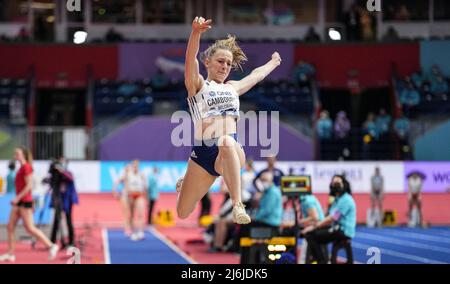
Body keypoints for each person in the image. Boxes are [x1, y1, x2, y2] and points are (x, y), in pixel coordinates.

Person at [176, 16, 282, 225]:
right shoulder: (197, 85)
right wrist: (196, 32)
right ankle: (186, 182)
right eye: (220, 61)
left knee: (225, 141)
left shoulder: (232, 88)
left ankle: (237, 204)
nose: (225, 66)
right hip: (203, 153)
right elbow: (191, 60)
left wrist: (273, 62)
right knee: (182, 212)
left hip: (231, 150)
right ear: (208, 62)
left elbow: (256, 75)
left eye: (228, 63)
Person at [0, 147, 59, 262]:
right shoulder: (21, 167)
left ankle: (52, 246)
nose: (15, 154)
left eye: (17, 152)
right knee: (10, 227)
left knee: (30, 228)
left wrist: (18, 198)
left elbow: (29, 186)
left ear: (23, 154)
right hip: (19, 202)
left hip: (24, 201)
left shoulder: (27, 167)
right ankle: (11, 253)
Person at [302, 175, 356, 264]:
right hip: (336, 227)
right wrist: (315, 225)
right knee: (311, 234)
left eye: (338, 183)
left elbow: (332, 218)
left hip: (343, 231)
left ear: (344, 185)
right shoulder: (336, 199)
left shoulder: (346, 200)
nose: (336, 185)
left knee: (312, 235)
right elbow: (329, 216)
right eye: (334, 183)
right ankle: (322, 259)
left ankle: (321, 261)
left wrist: (314, 226)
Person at [47, 157, 79, 248]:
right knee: (56, 221)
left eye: (62, 163)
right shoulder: (56, 174)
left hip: (68, 200)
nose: (60, 165)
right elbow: (51, 181)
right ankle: (52, 242)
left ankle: (71, 242)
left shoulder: (68, 173)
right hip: (58, 198)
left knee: (68, 220)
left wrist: (62, 171)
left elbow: (70, 178)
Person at [113, 160, 147, 240]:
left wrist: (146, 196)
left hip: (139, 195)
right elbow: (118, 181)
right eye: (134, 166)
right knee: (130, 214)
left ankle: (141, 232)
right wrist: (114, 191)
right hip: (130, 196)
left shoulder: (141, 174)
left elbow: (145, 186)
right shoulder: (128, 174)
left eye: (137, 166)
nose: (135, 167)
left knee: (141, 213)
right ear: (132, 166)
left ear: (138, 166)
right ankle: (132, 231)